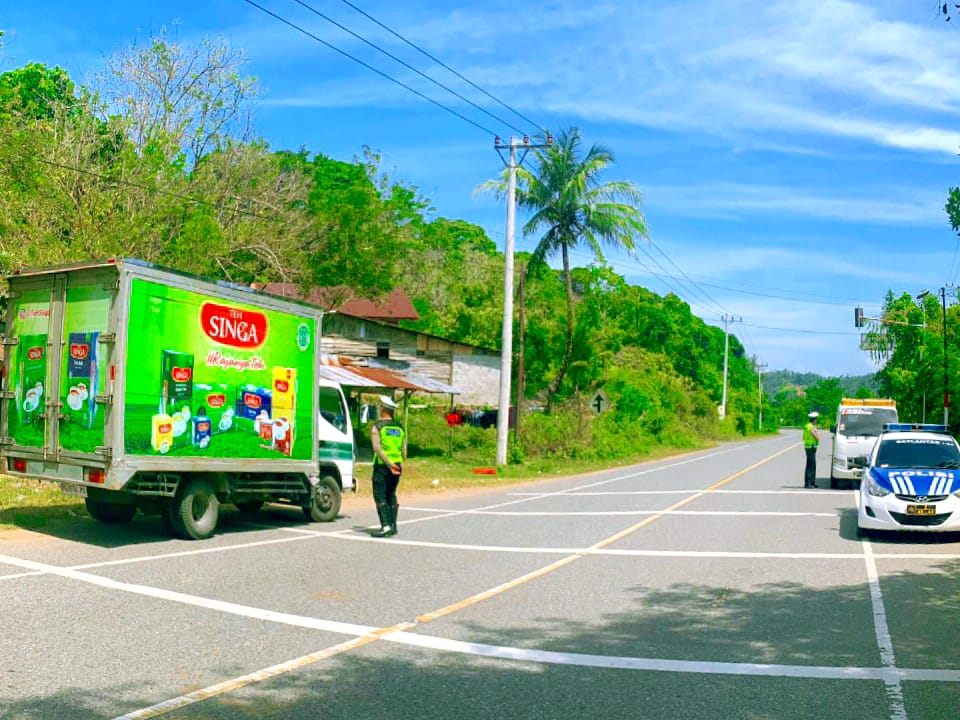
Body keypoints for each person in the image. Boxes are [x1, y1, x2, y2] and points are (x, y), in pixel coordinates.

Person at [370, 394, 405, 537]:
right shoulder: (400, 428)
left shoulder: (378, 426)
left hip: (382, 466)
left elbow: (377, 448)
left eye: (380, 407)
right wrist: (396, 463)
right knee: (391, 494)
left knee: (380, 496)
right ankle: (393, 525)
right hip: (397, 465)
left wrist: (388, 463)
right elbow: (404, 450)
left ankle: (385, 526)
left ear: (383, 410)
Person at [803, 411, 820, 489]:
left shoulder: (807, 426)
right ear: (814, 420)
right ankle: (809, 483)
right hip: (811, 447)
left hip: (809, 447)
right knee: (811, 466)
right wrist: (817, 435)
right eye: (816, 419)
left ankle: (811, 482)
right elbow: (816, 436)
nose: (816, 421)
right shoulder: (811, 427)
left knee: (811, 465)